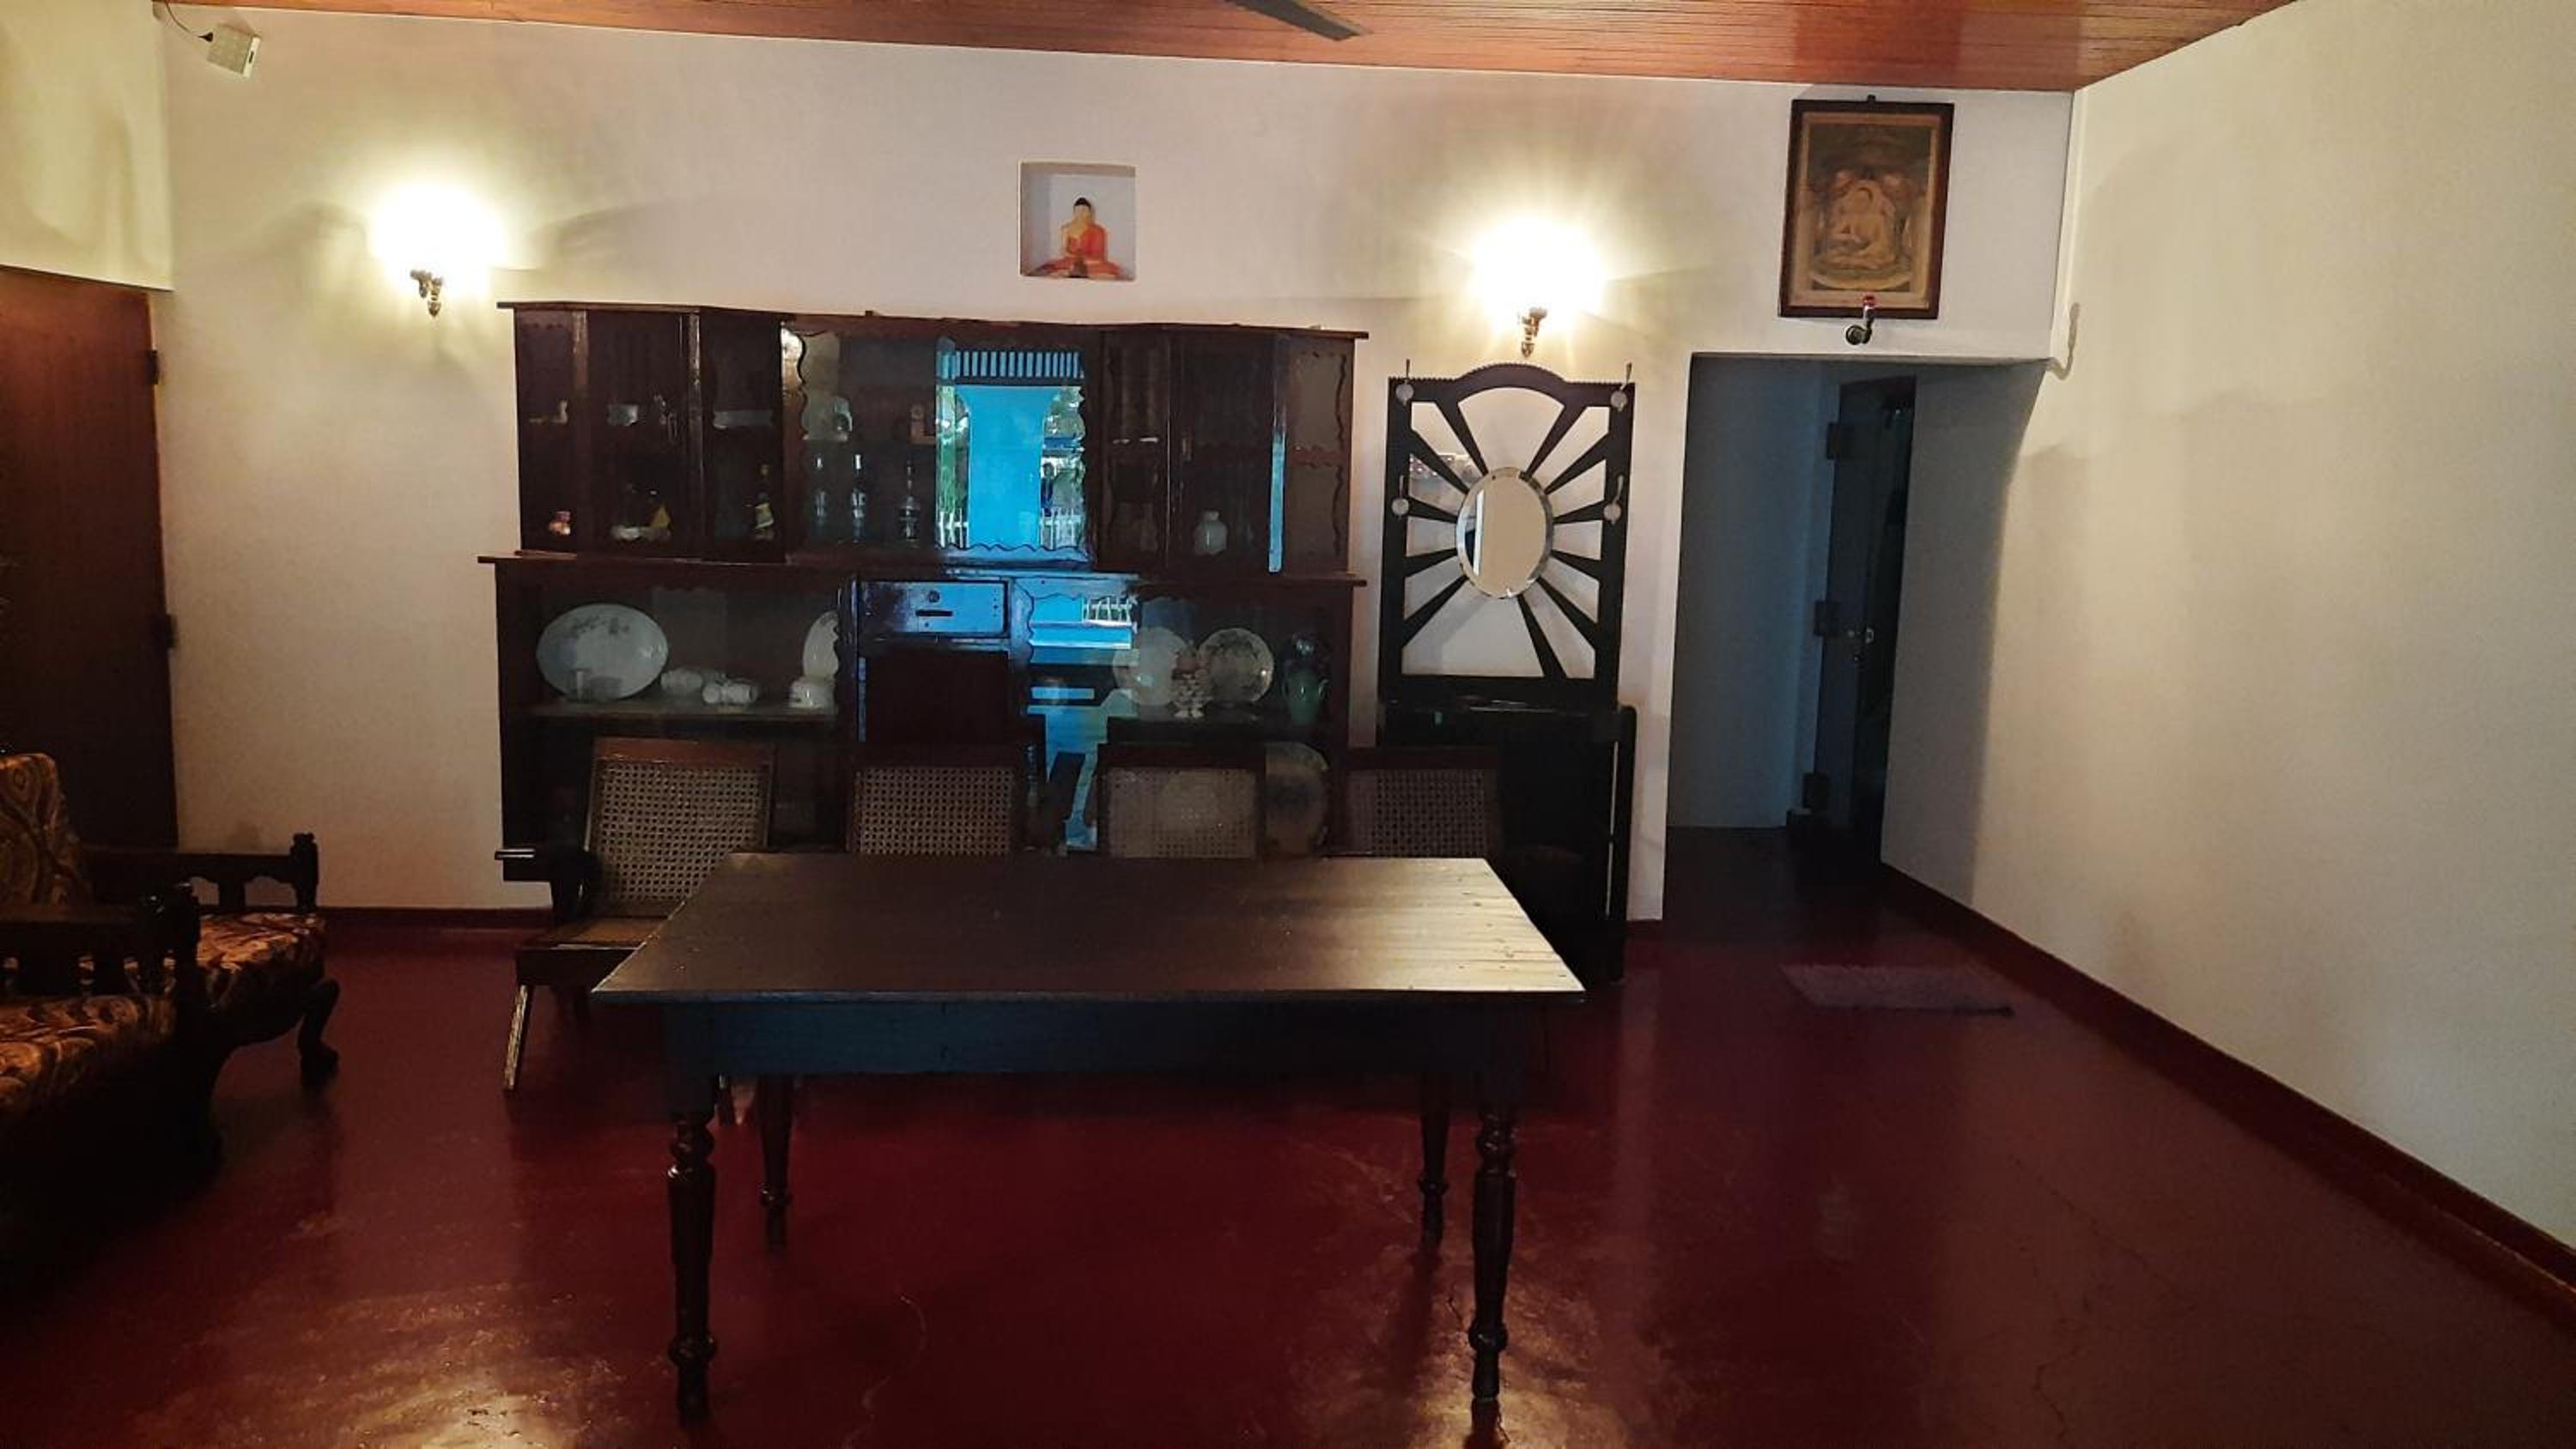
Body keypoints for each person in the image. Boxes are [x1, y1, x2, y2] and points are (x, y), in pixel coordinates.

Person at [1030, 197, 1123, 280]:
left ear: (1089, 213)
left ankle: (1074, 272)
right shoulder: (1066, 228)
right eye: (1078, 211)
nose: (1081, 214)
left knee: (1108, 269)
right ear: (1074, 212)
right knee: (1050, 269)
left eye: (1084, 211)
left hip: (1090, 263)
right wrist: (1075, 258)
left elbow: (1098, 256)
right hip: (1070, 261)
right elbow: (1064, 251)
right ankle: (1074, 272)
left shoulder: (1098, 230)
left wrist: (1082, 261)